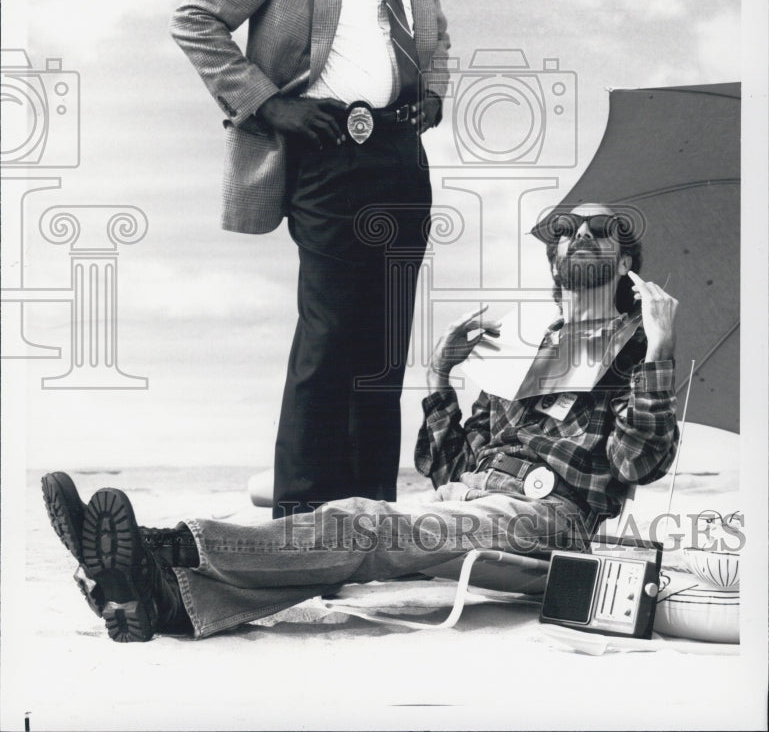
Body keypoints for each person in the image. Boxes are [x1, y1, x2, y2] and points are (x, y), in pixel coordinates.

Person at [42, 203, 680, 642]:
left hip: (551, 518)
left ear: (627, 262)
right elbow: (451, 469)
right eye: (568, 227)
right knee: (358, 532)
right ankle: (159, 600)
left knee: (366, 521)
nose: (583, 233)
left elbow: (638, 464)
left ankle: (160, 547)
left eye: (607, 227)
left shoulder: (638, 349)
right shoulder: (527, 346)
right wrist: (440, 378)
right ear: (553, 258)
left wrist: (657, 352)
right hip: (471, 501)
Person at [169, 0, 450, 517]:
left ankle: (366, 521)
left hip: (399, 155)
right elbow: (195, 19)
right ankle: (301, 520)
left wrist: (435, 91)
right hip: (324, 149)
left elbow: (436, 34)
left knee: (383, 347)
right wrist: (267, 105)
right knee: (329, 337)